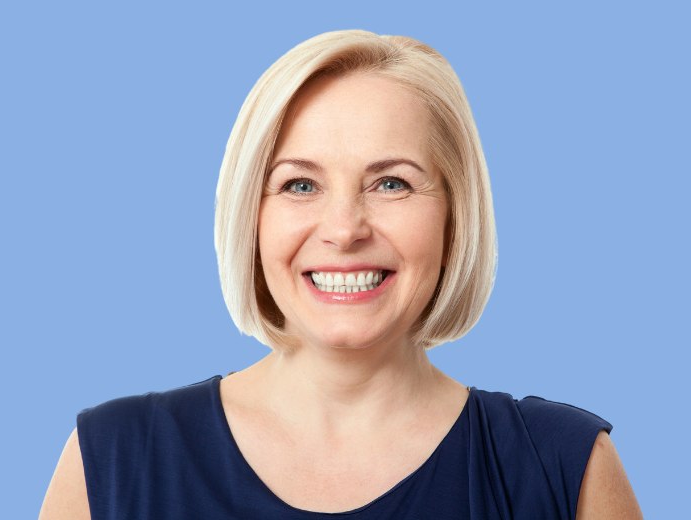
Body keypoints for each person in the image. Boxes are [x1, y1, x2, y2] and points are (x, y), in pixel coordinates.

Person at [40, 30, 642, 519]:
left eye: (391, 183)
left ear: (454, 215)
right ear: (250, 215)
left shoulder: (564, 467)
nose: (345, 228)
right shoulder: (111, 461)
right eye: (300, 184)